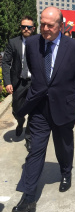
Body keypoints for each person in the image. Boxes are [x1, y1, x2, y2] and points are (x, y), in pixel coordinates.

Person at [11, 7, 75, 212]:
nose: (45, 28)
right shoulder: (33, 43)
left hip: (63, 107)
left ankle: (65, 172)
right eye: (42, 23)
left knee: (64, 146)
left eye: (50, 25)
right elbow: (34, 69)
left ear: (61, 26)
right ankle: (28, 196)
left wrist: (68, 91)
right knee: (35, 150)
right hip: (39, 108)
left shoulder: (73, 46)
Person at [2, 16, 35, 152]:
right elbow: (6, 63)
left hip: (34, 82)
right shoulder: (13, 42)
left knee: (34, 111)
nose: (26, 29)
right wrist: (7, 82)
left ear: (33, 28)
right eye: (23, 27)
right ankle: (20, 122)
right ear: (20, 28)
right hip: (19, 82)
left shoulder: (39, 41)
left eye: (28, 27)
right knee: (17, 109)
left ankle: (29, 138)